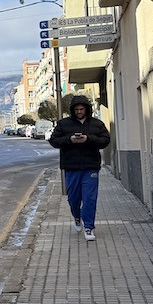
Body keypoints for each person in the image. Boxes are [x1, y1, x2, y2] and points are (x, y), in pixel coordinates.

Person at [49, 95, 111, 241]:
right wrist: (69, 140)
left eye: (81, 109)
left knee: (90, 199)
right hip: (71, 167)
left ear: (87, 109)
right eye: (76, 109)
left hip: (91, 167)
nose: (79, 111)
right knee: (73, 199)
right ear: (72, 110)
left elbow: (105, 140)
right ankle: (77, 217)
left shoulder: (97, 124)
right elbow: (53, 141)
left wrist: (89, 139)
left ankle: (89, 227)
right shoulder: (63, 124)